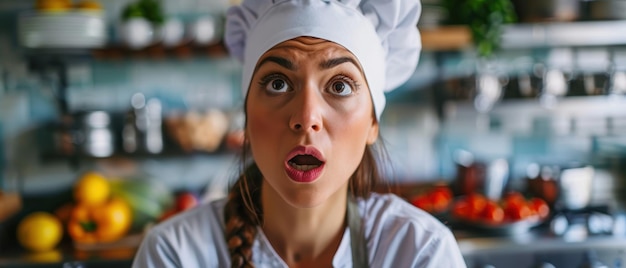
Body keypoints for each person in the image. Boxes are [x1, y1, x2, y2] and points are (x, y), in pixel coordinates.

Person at [132, 0, 467, 267]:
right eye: (278, 84)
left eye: (339, 85)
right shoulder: (174, 255)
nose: (306, 118)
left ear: (372, 124)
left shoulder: (420, 253)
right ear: (246, 117)